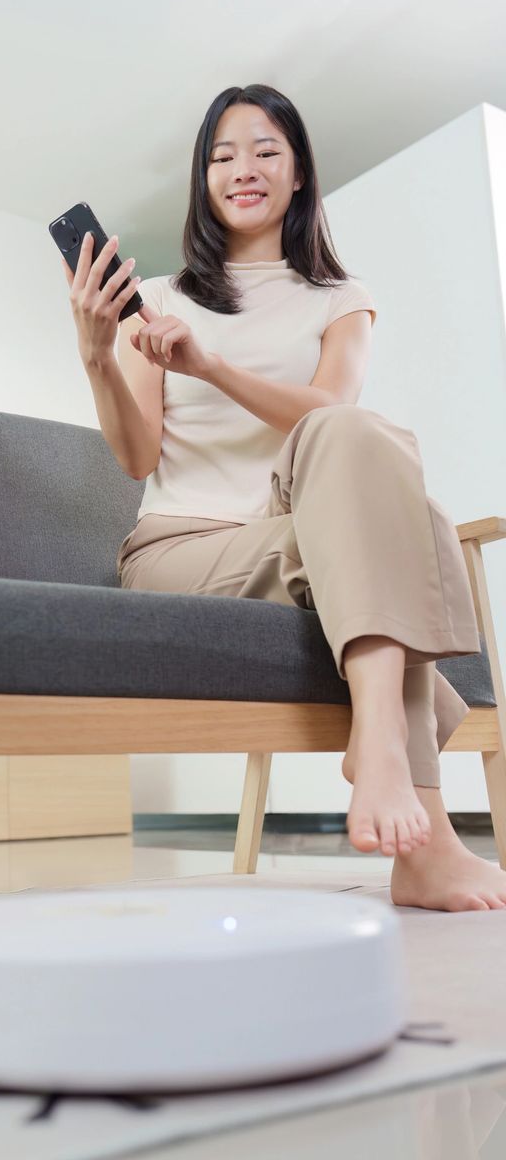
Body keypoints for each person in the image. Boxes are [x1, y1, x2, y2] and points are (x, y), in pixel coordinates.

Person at [63, 83, 505, 913]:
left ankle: (380, 747)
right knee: (406, 518)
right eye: (222, 155)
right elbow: (135, 457)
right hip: (185, 551)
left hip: (301, 539)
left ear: (298, 171)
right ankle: (428, 839)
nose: (244, 169)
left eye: (265, 149)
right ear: (204, 179)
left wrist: (215, 368)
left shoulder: (344, 300)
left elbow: (331, 412)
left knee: (352, 436)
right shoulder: (157, 299)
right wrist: (97, 354)